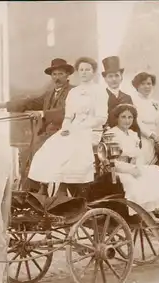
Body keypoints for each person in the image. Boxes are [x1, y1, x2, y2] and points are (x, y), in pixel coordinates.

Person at [0, 58, 75, 190]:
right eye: (54, 74)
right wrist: (2, 105)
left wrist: (42, 114)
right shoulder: (49, 94)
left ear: (67, 75)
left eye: (60, 74)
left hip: (64, 136)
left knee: (39, 160)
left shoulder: (73, 92)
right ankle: (29, 195)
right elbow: (29, 102)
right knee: (27, 158)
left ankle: (36, 193)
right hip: (47, 137)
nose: (57, 78)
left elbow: (66, 112)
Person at [28, 57, 108, 196]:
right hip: (72, 129)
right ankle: (49, 189)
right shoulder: (74, 92)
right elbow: (69, 116)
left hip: (91, 130)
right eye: (81, 70)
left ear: (93, 72)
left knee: (71, 151)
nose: (84, 72)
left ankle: (67, 188)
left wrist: (81, 127)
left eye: (87, 69)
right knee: (49, 148)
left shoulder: (99, 91)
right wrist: (65, 127)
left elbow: (101, 118)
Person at [106, 104, 159, 215]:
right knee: (135, 182)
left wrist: (139, 167)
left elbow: (138, 156)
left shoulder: (133, 134)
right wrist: (131, 169)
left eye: (130, 117)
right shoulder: (111, 134)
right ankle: (146, 215)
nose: (127, 120)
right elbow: (111, 162)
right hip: (119, 170)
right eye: (123, 117)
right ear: (117, 118)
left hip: (134, 167)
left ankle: (154, 211)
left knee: (154, 173)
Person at [130, 72, 159, 165]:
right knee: (141, 165)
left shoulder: (155, 103)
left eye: (149, 84)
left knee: (152, 165)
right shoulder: (133, 101)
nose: (146, 87)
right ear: (136, 86)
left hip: (155, 141)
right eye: (143, 84)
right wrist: (153, 136)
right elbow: (137, 122)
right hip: (140, 138)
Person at [101, 56, 133, 128]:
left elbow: (132, 119)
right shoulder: (101, 96)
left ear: (121, 77)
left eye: (117, 75)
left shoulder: (127, 98)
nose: (114, 79)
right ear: (105, 79)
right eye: (110, 76)